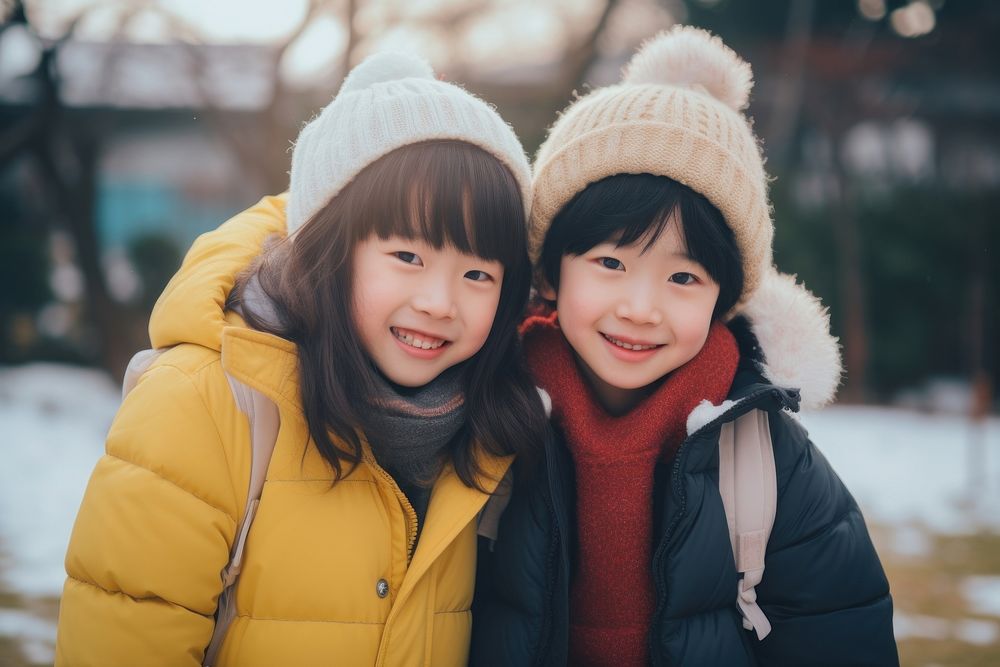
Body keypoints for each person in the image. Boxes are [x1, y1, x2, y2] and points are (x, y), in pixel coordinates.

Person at [55, 52, 547, 667]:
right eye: (407, 257)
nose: (440, 303)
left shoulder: (484, 432)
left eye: (477, 273)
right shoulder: (205, 405)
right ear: (331, 248)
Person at [469, 26, 899, 666]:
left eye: (682, 277)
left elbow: (839, 633)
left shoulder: (767, 461)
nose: (640, 309)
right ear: (553, 269)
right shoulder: (488, 418)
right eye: (610, 264)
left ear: (723, 296)